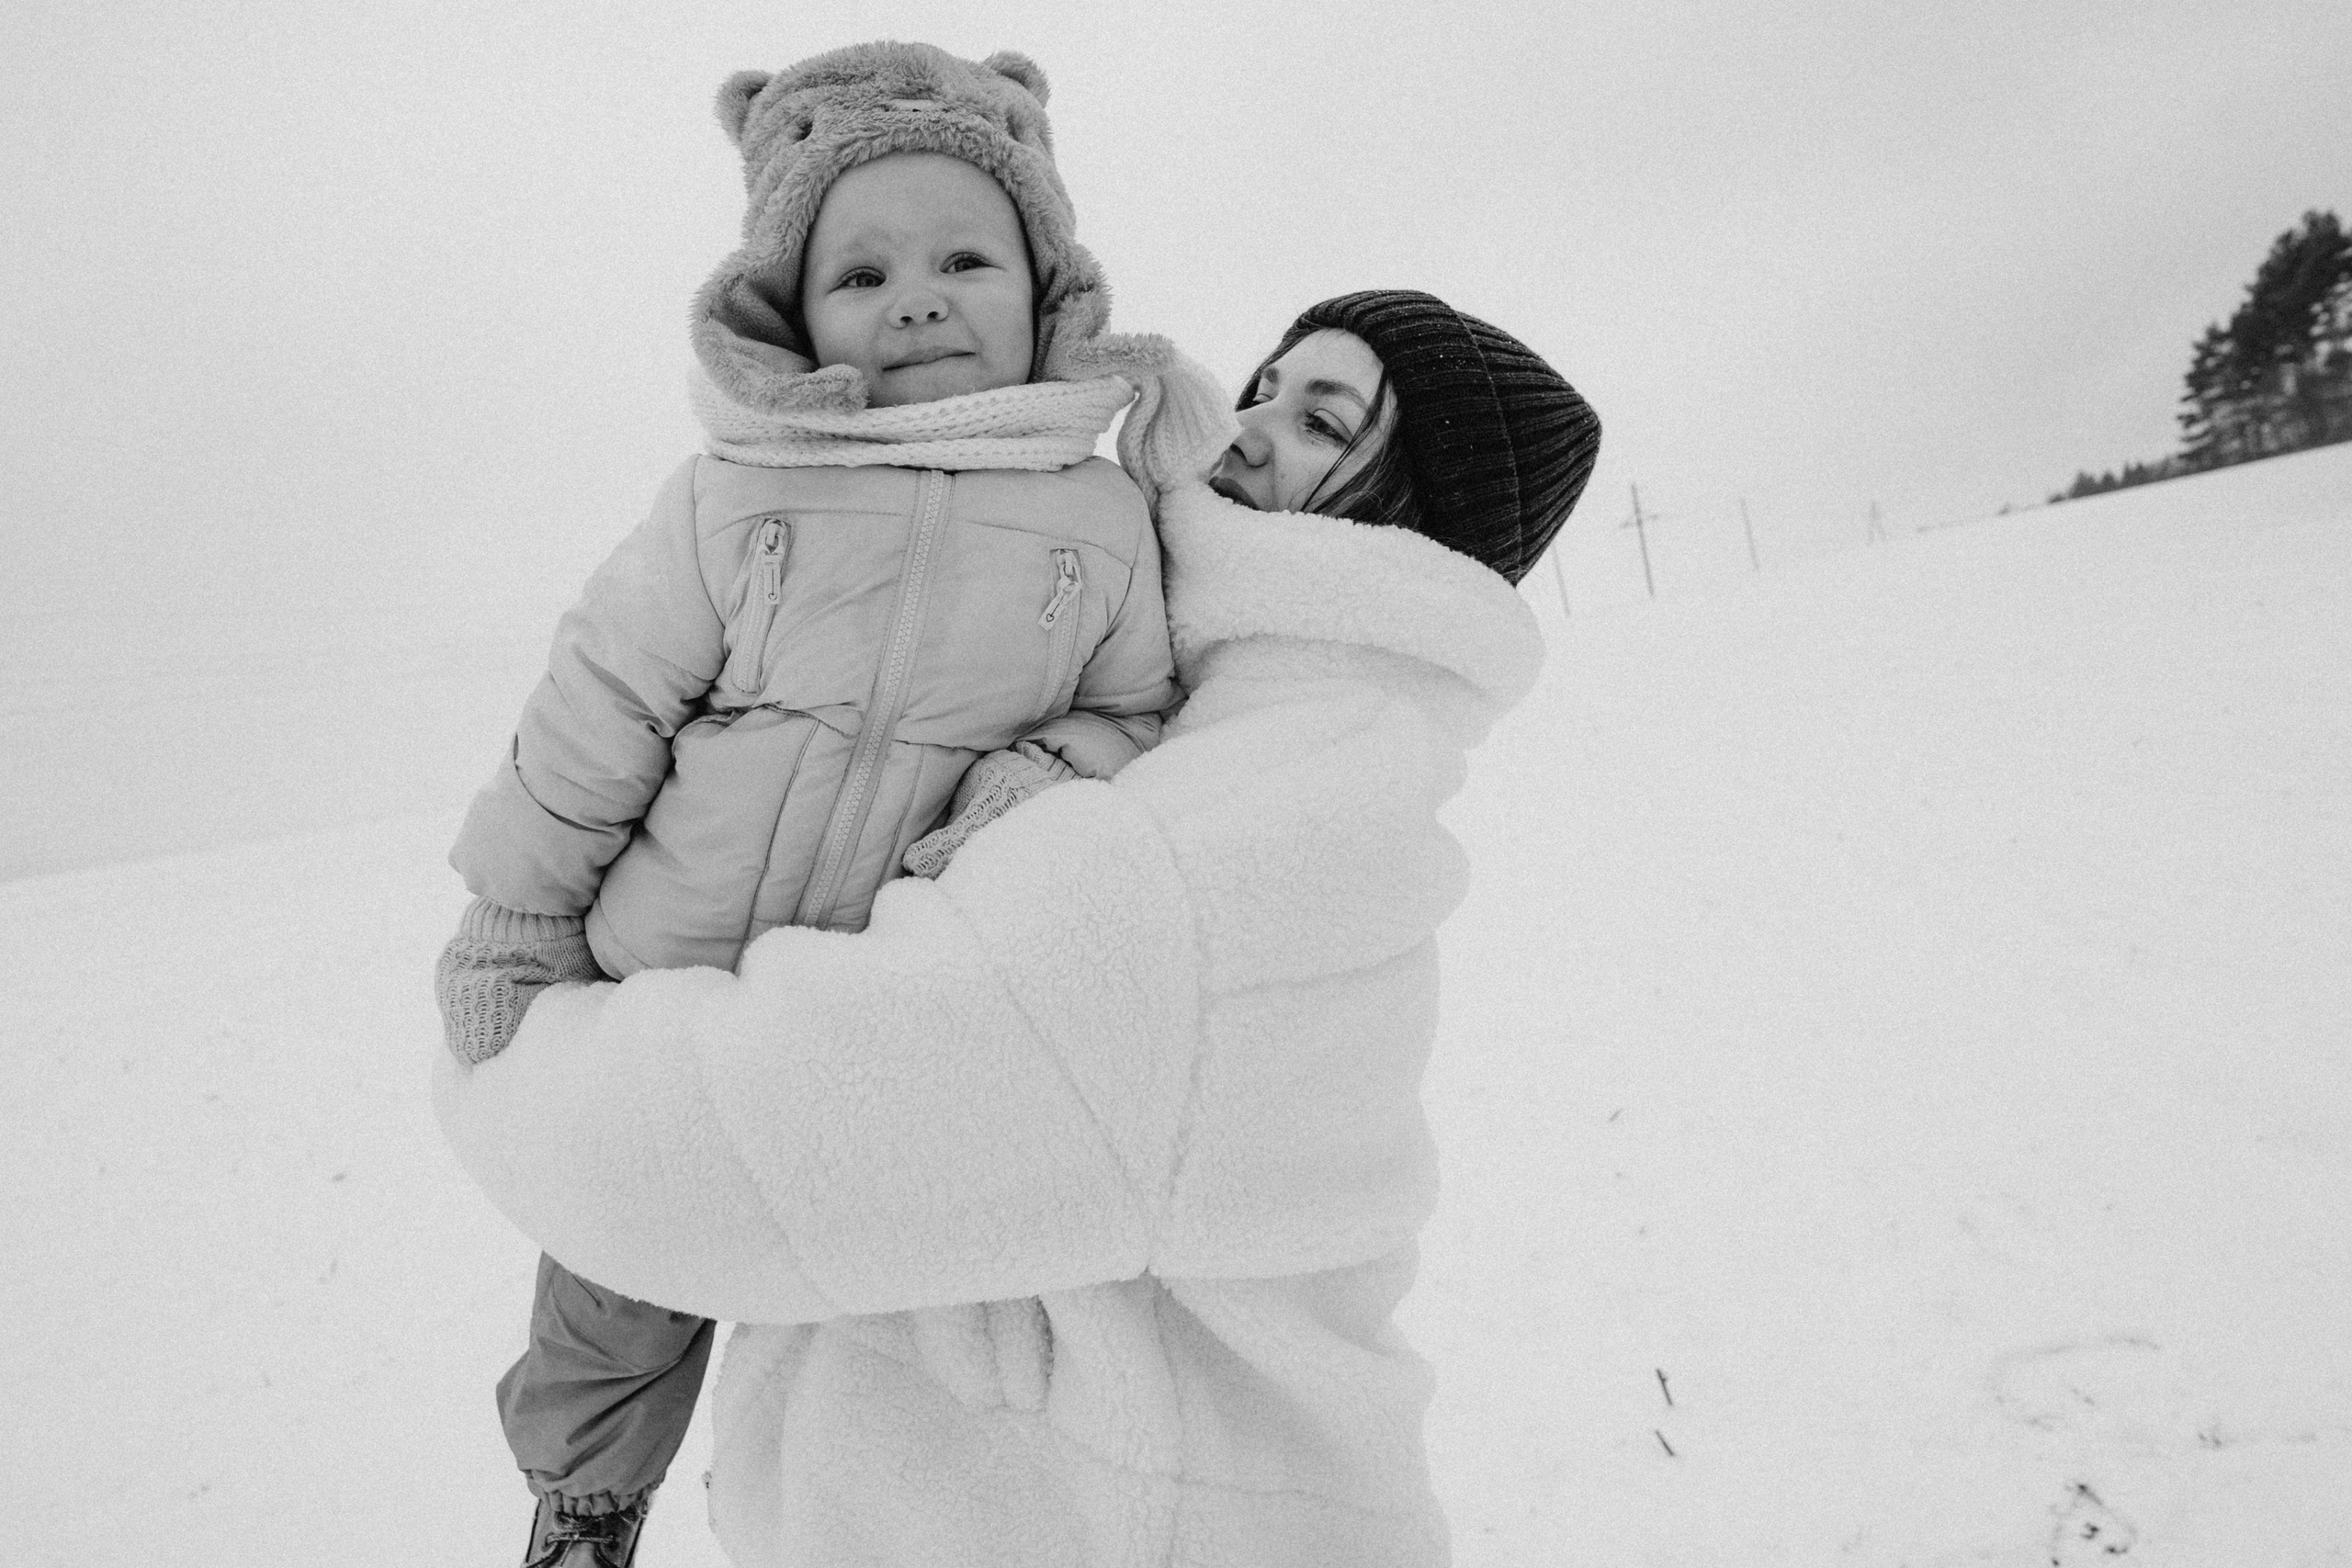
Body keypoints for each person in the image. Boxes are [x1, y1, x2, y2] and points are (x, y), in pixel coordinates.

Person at [436, 288, 1600, 1567]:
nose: (1246, 429)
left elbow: (728, 1159)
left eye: (1322, 422)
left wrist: (511, 1057)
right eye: (1263, 387)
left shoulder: (1249, 824)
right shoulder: (1237, 730)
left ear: (1418, 522)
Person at [432, 42, 1199, 1567]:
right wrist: (516, 916)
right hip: (666, 992)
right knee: (617, 1271)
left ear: (1049, 287)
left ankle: (838, 1514)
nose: (916, 299)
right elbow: (597, 710)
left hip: (882, 1013)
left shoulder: (1104, 517)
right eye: (862, 275)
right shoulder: (734, 491)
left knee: (870, 1315)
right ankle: (585, 1501)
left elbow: (1136, 709)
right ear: (792, 312)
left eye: (965, 260)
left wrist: (1042, 778)